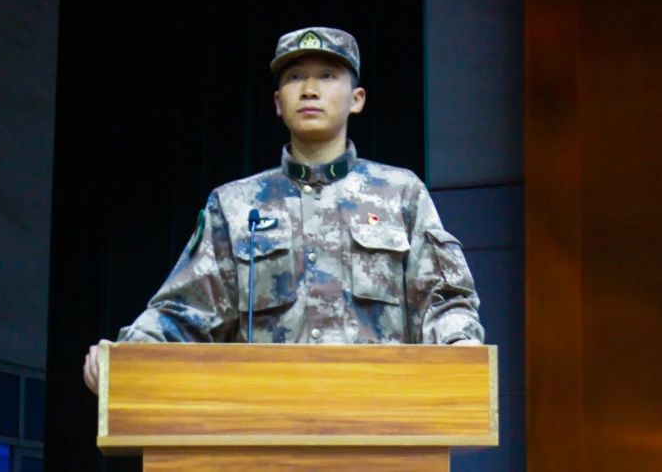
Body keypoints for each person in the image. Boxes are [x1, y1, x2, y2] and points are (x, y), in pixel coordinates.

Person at [83, 27, 484, 395]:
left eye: (327, 76)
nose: (309, 90)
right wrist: (126, 354)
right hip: (263, 420)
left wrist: (461, 343)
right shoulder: (236, 205)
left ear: (357, 99)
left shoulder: (400, 194)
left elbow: (443, 299)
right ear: (278, 102)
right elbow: (185, 313)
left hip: (380, 415)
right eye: (294, 78)